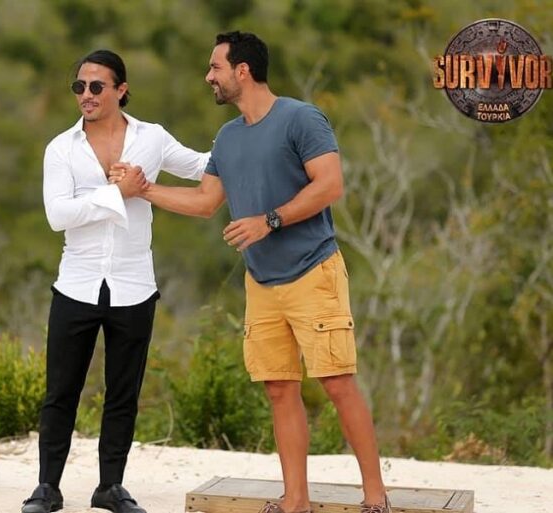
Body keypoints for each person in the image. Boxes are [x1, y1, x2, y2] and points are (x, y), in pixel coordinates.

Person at [131, 31, 392, 513]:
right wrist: (144, 190)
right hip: (262, 283)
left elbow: (330, 185)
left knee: (337, 382)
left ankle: (375, 498)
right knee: (279, 389)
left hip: (314, 271)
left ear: (242, 70)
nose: (208, 76)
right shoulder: (228, 138)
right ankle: (296, 501)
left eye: (215, 67)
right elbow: (206, 202)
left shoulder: (301, 118)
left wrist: (268, 220)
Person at [21, 49, 209, 513]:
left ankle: (110, 487)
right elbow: (57, 215)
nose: (85, 95)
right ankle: (47, 488)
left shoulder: (153, 138)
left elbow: (204, 167)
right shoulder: (61, 148)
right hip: (76, 284)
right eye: (79, 87)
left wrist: (251, 136)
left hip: (134, 285)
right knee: (60, 392)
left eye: (96, 87)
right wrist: (117, 193)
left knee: (123, 394)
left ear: (121, 90)